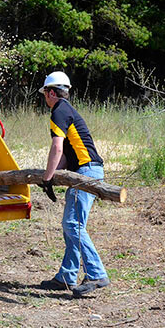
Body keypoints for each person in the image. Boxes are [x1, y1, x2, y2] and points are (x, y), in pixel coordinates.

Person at [37, 71, 110, 298]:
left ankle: (96, 273)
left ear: (51, 92)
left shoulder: (58, 111)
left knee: (73, 225)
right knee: (72, 227)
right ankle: (66, 277)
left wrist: (47, 178)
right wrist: (53, 175)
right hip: (85, 171)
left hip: (86, 173)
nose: (44, 99)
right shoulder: (67, 110)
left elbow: (57, 148)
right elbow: (66, 157)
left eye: (45, 95)